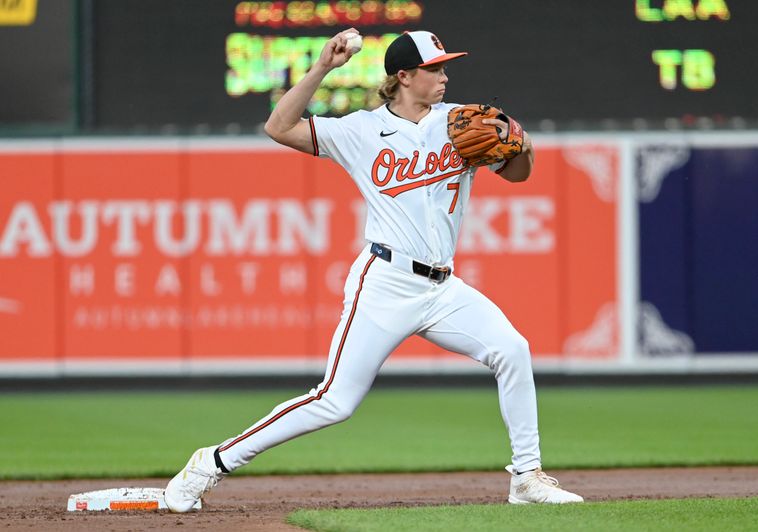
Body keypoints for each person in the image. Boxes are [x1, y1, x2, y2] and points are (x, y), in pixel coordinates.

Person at [164, 29, 583, 512]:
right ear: (403, 76)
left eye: (445, 67)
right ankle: (210, 463)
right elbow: (279, 127)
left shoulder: (462, 122)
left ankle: (527, 477)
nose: (445, 76)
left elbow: (517, 174)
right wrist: (322, 68)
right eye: (434, 69)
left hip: (444, 287)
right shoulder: (360, 131)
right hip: (385, 281)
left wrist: (521, 145)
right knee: (334, 401)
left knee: (512, 349)